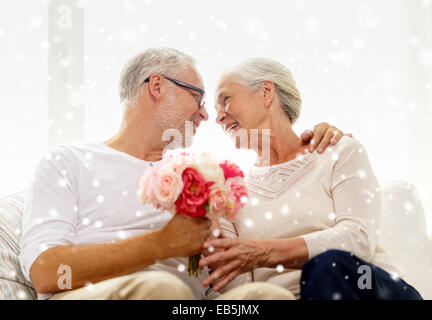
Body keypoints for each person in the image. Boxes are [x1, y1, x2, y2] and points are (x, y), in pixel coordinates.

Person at [19, 48, 343, 300]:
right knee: (161, 289)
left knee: (266, 297)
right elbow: (46, 271)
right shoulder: (68, 162)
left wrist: (318, 140)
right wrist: (161, 244)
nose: (205, 113)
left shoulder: (201, 176)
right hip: (107, 293)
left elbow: (221, 283)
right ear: (157, 86)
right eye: (197, 97)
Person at [200, 57, 423, 300]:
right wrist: (212, 226)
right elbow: (239, 289)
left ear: (266, 92)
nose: (219, 117)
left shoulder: (337, 151)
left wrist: (263, 252)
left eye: (226, 99)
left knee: (328, 265)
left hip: (367, 287)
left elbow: (359, 239)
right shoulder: (231, 191)